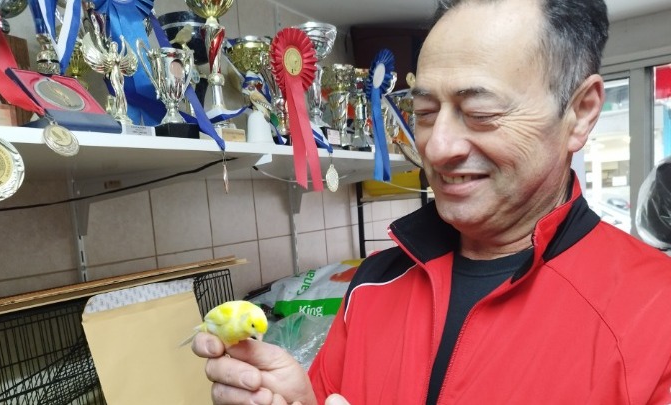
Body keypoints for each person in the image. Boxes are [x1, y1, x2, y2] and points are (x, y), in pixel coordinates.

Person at [192, 0, 671, 403]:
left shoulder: (657, 313)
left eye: (479, 111)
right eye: (424, 112)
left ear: (580, 113)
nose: (437, 148)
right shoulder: (372, 284)